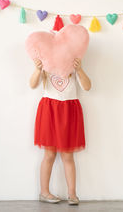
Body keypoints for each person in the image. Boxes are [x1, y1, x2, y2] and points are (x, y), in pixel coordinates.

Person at [29, 57, 91, 205]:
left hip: (68, 111)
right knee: (49, 154)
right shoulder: (47, 66)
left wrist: (79, 69)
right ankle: (44, 192)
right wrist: (38, 69)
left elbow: (88, 86)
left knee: (68, 155)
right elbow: (32, 84)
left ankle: (72, 193)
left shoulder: (72, 67)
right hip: (50, 111)